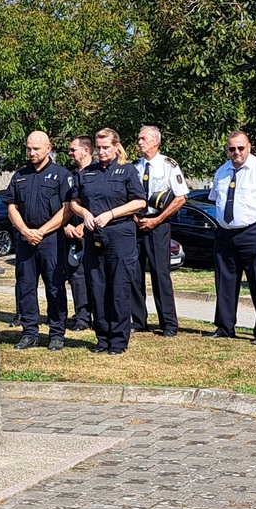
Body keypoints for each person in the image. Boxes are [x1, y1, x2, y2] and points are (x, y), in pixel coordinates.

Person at [71, 128, 147, 353]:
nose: (102, 152)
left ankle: (118, 340)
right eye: (99, 147)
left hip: (119, 234)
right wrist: (84, 213)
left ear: (116, 147)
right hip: (94, 236)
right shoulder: (88, 172)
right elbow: (73, 201)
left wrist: (112, 213)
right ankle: (102, 338)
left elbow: (140, 202)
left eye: (106, 147)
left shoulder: (127, 170)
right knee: (97, 286)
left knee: (119, 287)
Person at [208, 130, 256, 343]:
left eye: (240, 148)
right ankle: (225, 327)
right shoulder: (222, 171)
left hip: (253, 232)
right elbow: (216, 199)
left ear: (249, 147)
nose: (236, 152)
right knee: (224, 281)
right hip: (225, 233)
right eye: (232, 149)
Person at [6, 130, 72, 350]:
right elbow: (12, 207)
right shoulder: (19, 176)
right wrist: (25, 230)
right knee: (26, 287)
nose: (31, 152)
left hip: (51, 240)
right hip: (25, 240)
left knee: (54, 287)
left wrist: (41, 231)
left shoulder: (62, 175)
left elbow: (67, 210)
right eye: (28, 148)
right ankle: (29, 332)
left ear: (48, 149)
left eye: (36, 148)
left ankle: (56, 333)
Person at [132, 125, 188, 336]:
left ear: (156, 141)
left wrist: (158, 219)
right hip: (137, 224)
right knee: (134, 274)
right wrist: (135, 218)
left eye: (143, 138)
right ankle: (138, 320)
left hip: (159, 225)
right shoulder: (135, 167)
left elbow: (181, 197)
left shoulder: (168, 166)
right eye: (139, 139)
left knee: (160, 274)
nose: (140, 142)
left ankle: (169, 324)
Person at [61, 135, 93, 329]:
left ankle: (101, 316)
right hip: (72, 234)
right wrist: (66, 226)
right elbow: (63, 206)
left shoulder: (100, 172)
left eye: (73, 150)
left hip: (95, 231)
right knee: (77, 277)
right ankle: (82, 318)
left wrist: (85, 225)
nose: (70, 153)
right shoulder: (68, 176)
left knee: (98, 278)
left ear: (86, 150)